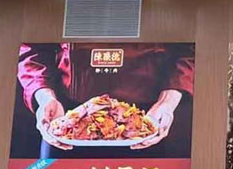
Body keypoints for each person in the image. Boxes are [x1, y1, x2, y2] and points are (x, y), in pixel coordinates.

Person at [17, 44, 195, 158]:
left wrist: (167, 101)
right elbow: (33, 49)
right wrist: (45, 97)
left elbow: (190, 49)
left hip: (145, 119)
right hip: (69, 117)